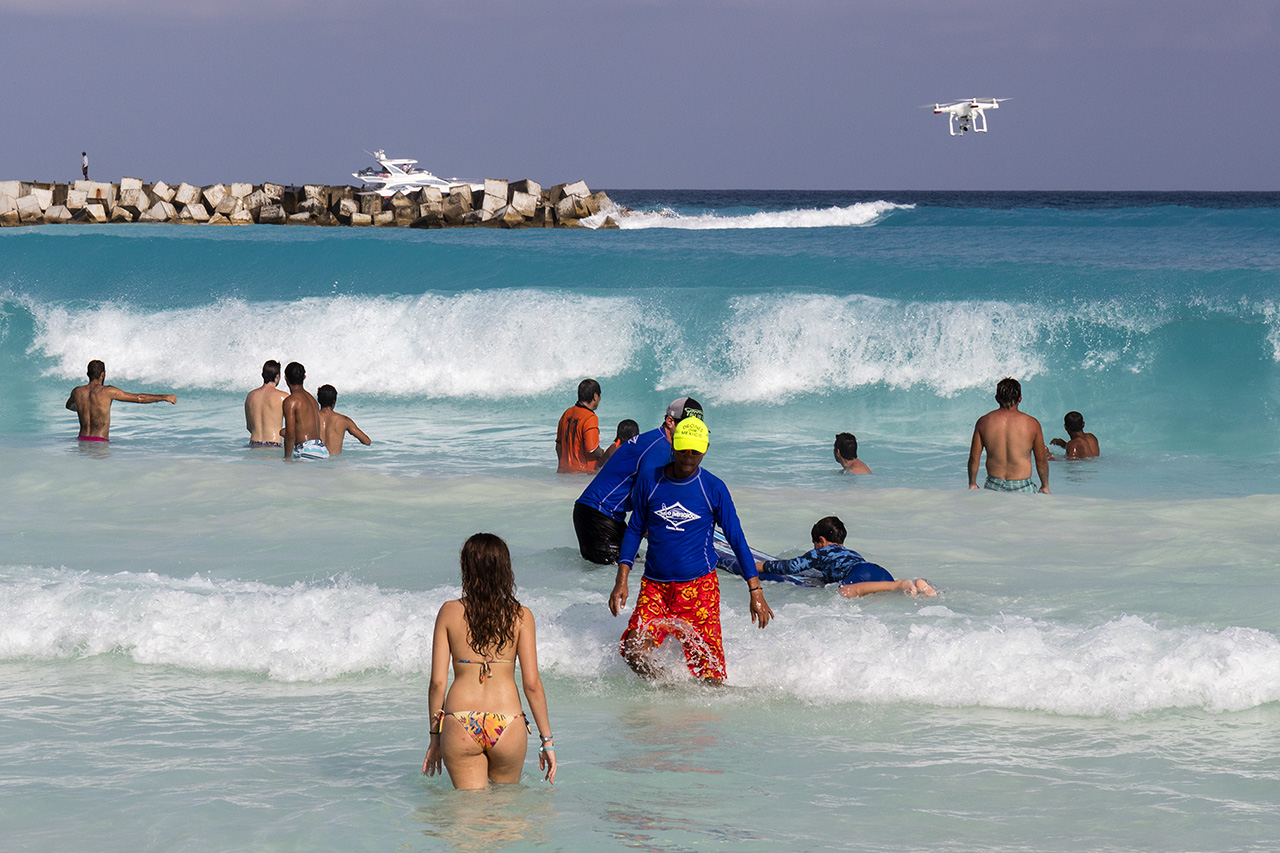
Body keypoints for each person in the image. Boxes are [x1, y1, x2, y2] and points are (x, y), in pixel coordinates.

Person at [608, 417, 773, 683]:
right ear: (673, 445)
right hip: (655, 588)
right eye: (683, 449)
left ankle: (699, 719)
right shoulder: (650, 481)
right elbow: (634, 528)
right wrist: (621, 579)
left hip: (699, 590)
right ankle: (670, 694)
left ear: (705, 449)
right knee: (633, 652)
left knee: (711, 677)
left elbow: (737, 539)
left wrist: (755, 590)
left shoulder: (713, 488)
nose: (688, 457)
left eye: (695, 452)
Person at [422, 533, 556, 789]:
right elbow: (532, 684)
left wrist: (434, 737)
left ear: (466, 568)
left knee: (468, 816)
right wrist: (547, 740)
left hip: (461, 723)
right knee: (506, 818)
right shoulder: (521, 616)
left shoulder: (449, 612)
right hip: (507, 724)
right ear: (504, 569)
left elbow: (438, 683)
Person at [573, 397, 703, 564]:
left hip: (608, 516)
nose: (690, 431)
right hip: (596, 515)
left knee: (631, 566)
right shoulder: (659, 446)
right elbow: (644, 494)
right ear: (670, 421)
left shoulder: (665, 445)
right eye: (686, 425)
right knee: (609, 577)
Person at [733, 516, 935, 598]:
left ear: (821, 540)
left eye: (815, 543)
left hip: (860, 575)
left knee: (844, 592)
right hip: (876, 570)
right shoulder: (851, 553)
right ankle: (920, 584)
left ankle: (899, 584)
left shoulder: (821, 552)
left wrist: (753, 566)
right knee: (900, 594)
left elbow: (790, 567)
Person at [967, 377, 1049, 494]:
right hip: (1022, 486)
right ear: (1020, 398)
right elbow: (1041, 460)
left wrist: (972, 483)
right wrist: (1044, 485)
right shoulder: (1032, 424)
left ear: (997, 398)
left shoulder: (983, 422)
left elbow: (974, 458)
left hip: (993, 485)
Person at [65, 359, 176, 441]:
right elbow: (139, 398)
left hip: (81, 440)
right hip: (100, 442)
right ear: (103, 374)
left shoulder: (77, 392)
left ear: (87, 374)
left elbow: (69, 406)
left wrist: (85, 408)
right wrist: (165, 397)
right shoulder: (108, 391)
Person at [555, 378, 604, 473]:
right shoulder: (590, 417)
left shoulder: (567, 413)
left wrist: (563, 466)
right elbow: (592, 449)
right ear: (595, 396)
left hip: (563, 471)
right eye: (599, 396)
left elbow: (558, 446)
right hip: (583, 473)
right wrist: (603, 453)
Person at [281, 361, 327, 460]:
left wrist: (287, 458)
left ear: (285, 378)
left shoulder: (291, 401)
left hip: (307, 450)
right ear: (304, 377)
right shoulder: (312, 400)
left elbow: (290, 434)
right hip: (321, 449)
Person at [317, 384, 371, 456]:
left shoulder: (312, 418)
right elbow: (367, 441)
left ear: (318, 400)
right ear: (334, 401)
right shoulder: (344, 420)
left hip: (316, 460)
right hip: (335, 464)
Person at [244, 360, 288, 447]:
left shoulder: (250, 396)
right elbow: (292, 427)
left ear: (262, 375)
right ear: (277, 376)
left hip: (254, 443)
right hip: (274, 443)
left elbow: (249, 427)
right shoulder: (283, 397)